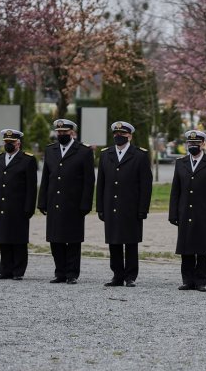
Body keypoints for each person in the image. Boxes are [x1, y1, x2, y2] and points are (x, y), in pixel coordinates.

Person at [37, 118, 95, 284]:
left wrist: (86, 203)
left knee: (73, 240)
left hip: (73, 203)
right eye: (59, 132)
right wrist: (42, 201)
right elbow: (46, 178)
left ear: (72, 132)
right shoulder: (51, 150)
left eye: (65, 132)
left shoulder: (83, 151)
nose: (61, 134)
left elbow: (89, 180)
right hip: (54, 201)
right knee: (55, 239)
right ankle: (60, 272)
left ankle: (72, 273)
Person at [97, 121, 152, 287]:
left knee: (130, 242)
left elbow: (146, 185)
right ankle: (117, 275)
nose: (118, 137)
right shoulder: (106, 154)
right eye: (116, 134)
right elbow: (101, 183)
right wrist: (100, 207)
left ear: (130, 136)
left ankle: (130, 276)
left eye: (122, 134)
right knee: (113, 242)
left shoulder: (140, 155)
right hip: (111, 205)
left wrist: (143, 208)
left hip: (131, 207)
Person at [169, 130, 206, 291]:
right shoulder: (181, 163)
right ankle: (187, 280)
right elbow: (175, 191)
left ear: (203, 144)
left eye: (196, 144)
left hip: (203, 213)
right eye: (190, 144)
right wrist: (173, 213)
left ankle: (200, 281)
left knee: (202, 247)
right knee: (186, 247)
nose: (193, 146)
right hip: (184, 211)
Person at [0, 129, 38, 280]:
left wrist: (29, 208)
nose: (8, 145)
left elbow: (31, 187)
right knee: (4, 238)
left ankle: (18, 270)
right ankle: (5, 269)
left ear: (18, 143)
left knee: (18, 239)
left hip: (18, 207)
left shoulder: (27, 160)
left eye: (11, 142)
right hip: (1, 206)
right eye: (6, 142)